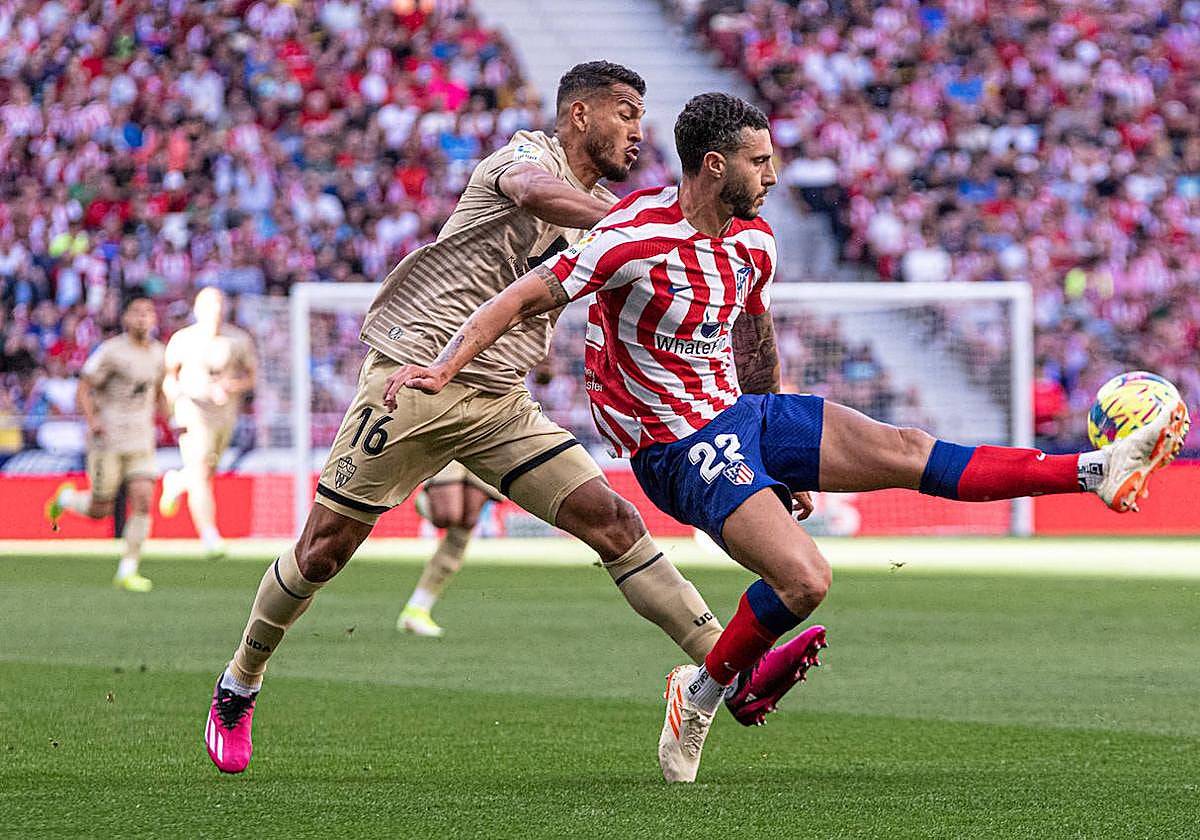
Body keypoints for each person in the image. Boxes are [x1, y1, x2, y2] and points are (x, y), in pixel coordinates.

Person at [382, 92, 1191, 783]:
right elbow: (516, 300)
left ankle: (1095, 468)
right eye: (759, 161)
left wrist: (782, 456)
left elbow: (753, 335)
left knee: (907, 446)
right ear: (711, 166)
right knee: (805, 580)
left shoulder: (754, 242)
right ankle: (697, 695)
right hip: (673, 447)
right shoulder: (631, 238)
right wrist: (442, 366)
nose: (772, 176)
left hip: (743, 416)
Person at [203, 64, 824, 775]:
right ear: (580, 116)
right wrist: (647, 227)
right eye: (625, 113)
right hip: (416, 377)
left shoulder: (622, 214)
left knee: (614, 522)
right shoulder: (527, 158)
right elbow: (538, 196)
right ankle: (239, 682)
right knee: (322, 551)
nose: (637, 130)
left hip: (500, 401)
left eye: (642, 116)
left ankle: (727, 672)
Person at [45, 293, 167, 592]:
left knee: (142, 499)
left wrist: (171, 418)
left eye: (148, 312)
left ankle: (128, 569)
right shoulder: (110, 352)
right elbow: (83, 388)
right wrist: (93, 422)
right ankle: (66, 500)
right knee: (101, 508)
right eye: (137, 312)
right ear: (125, 318)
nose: (143, 318)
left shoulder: (159, 353)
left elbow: (159, 391)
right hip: (108, 439)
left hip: (141, 439)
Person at [159, 286, 257, 558]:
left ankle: (176, 482)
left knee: (208, 470)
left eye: (220, 305)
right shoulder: (182, 340)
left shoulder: (238, 339)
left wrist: (231, 386)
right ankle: (210, 535)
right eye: (210, 305)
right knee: (201, 469)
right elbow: (169, 377)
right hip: (192, 410)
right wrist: (171, 412)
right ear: (198, 309)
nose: (216, 311)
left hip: (225, 414)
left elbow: (251, 376)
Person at [396, 462, 500, 637]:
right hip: (451, 438)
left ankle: (418, 609)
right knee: (447, 514)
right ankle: (425, 501)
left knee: (467, 521)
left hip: (492, 438)